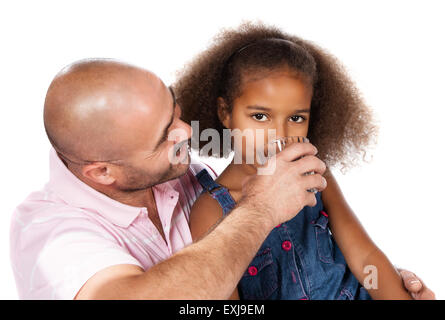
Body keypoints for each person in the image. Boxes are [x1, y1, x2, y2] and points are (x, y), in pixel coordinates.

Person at [10, 59, 327, 299]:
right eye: (165, 135)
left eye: (174, 111)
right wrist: (261, 209)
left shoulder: (181, 172)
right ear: (102, 172)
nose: (187, 132)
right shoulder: (49, 237)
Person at [174, 22, 435, 299]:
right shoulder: (211, 210)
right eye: (260, 117)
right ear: (225, 112)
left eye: (296, 118)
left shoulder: (315, 175)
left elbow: (364, 256)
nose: (280, 135)